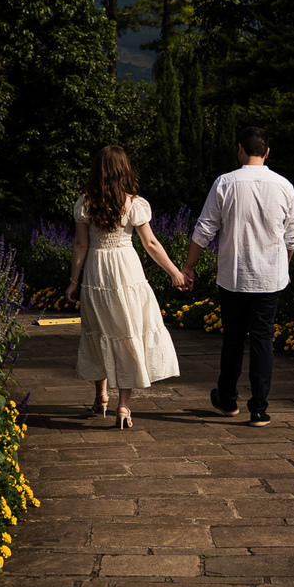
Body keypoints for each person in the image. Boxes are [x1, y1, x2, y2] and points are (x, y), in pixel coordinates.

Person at [181, 124, 294, 427]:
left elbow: (205, 229)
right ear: (267, 152)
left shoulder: (225, 183)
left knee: (233, 337)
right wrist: (281, 267)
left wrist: (188, 267)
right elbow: (291, 237)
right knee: (263, 339)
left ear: (240, 150)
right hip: (269, 278)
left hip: (234, 276)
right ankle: (258, 408)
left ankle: (227, 398)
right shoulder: (284, 186)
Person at [67, 144, 184, 429]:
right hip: (126, 269)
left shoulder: (85, 202)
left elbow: (81, 245)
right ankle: (123, 406)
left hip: (96, 270)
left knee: (99, 331)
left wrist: (73, 281)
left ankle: (101, 396)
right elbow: (150, 243)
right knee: (127, 331)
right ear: (124, 171)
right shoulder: (134, 204)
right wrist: (175, 272)